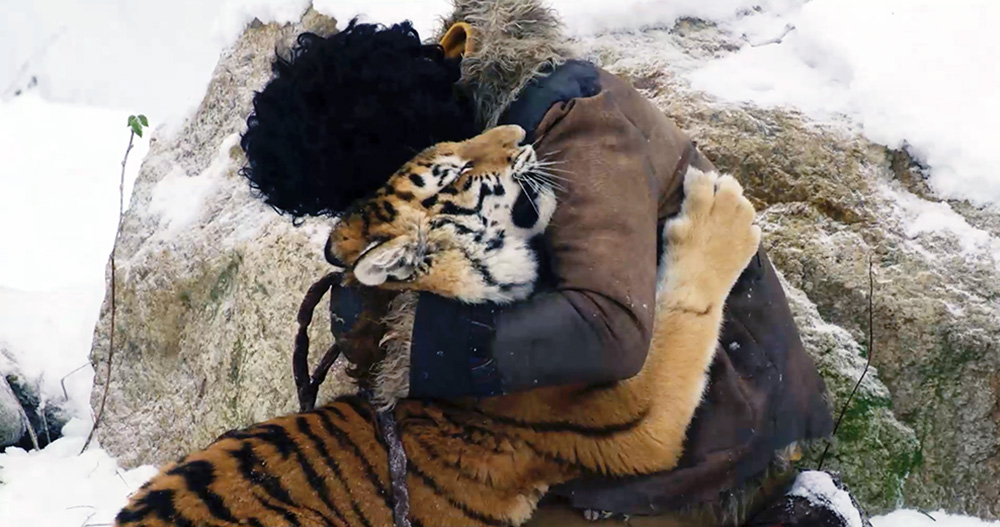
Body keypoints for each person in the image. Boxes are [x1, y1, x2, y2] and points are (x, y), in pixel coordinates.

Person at [239, 1, 836, 525]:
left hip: (716, 439)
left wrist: (422, 342)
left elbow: (612, 327)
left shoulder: (575, 124)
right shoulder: (460, 137)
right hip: (570, 429)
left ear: (401, 158)